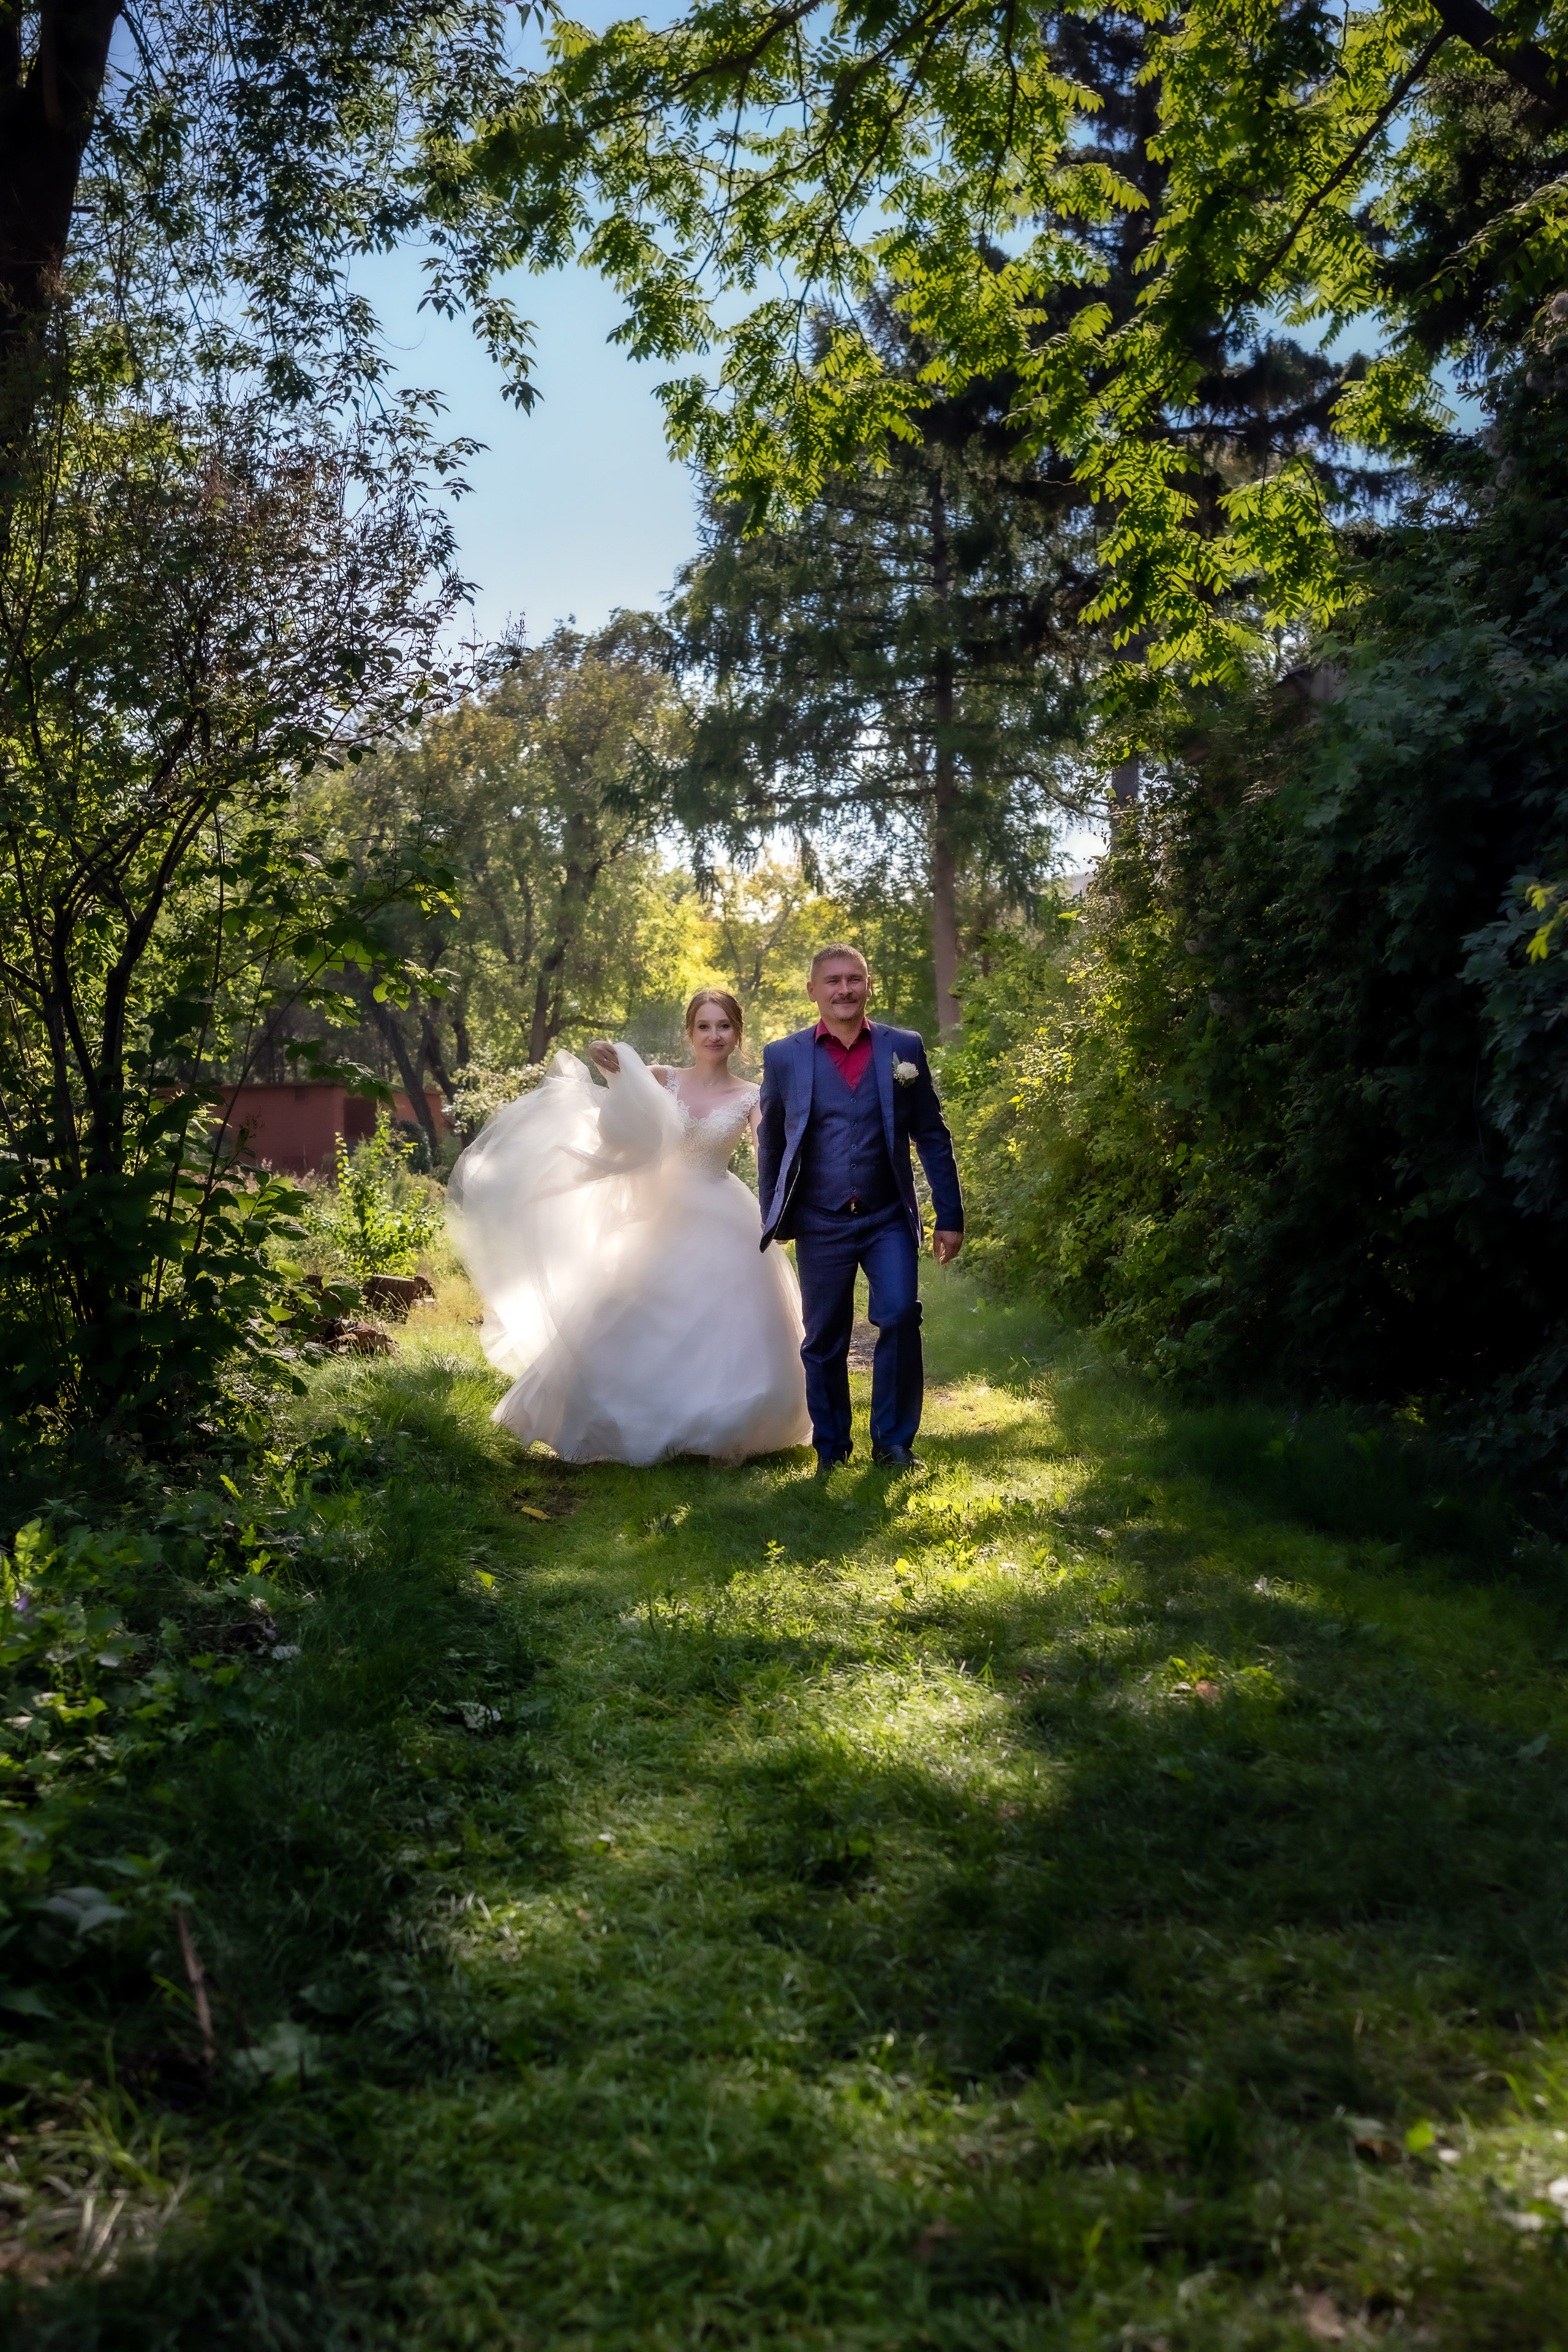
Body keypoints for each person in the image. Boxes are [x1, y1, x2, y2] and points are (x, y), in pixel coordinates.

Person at [448, 990, 810, 1464]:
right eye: (705, 1026)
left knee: (728, 1319)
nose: (714, 1035)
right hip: (659, 1212)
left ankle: (722, 1421)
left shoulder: (750, 1096)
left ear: (737, 1033)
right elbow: (619, 1117)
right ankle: (617, 1415)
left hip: (723, 1211)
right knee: (623, 1308)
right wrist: (608, 1061)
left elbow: (767, 1147)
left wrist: (777, 1201)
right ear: (691, 1032)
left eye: (723, 1026)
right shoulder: (662, 1079)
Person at [756, 944, 963, 1474]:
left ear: (868, 985)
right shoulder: (784, 1055)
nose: (844, 989)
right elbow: (773, 1143)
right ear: (813, 991)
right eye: (832, 981)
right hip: (818, 1219)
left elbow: (932, 1136)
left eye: (854, 979)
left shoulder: (904, 1048)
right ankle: (831, 1448)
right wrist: (773, 1214)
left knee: (898, 1316)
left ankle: (893, 1442)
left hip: (887, 1215)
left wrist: (950, 1215)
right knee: (824, 1337)